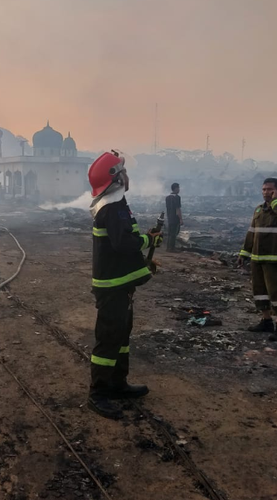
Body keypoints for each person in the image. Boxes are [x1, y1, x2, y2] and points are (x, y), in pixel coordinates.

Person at [87, 150, 162, 420]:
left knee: (121, 335)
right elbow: (123, 243)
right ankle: (98, 393)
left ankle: (117, 383)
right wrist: (147, 241)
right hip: (113, 287)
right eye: (123, 171)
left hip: (120, 284)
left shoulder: (113, 204)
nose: (127, 175)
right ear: (117, 178)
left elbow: (121, 244)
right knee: (108, 339)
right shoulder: (112, 207)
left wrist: (142, 260)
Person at [237, 178, 277, 341]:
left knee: (275, 292)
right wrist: (244, 253)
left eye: (269, 189)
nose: (265, 192)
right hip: (256, 258)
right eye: (263, 189)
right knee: (259, 291)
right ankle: (266, 320)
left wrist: (276, 201)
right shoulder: (258, 210)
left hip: (273, 259)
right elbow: (251, 233)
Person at [165, 182, 182, 252]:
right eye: (178, 188)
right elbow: (177, 209)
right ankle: (172, 248)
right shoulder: (177, 197)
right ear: (176, 189)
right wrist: (180, 219)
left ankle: (168, 247)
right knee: (174, 233)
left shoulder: (167, 197)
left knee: (170, 233)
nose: (179, 189)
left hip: (169, 217)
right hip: (175, 218)